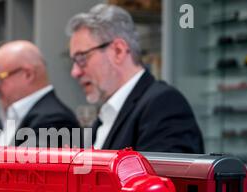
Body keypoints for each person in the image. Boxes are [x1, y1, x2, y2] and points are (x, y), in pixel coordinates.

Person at [66, 4, 204, 153]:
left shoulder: (163, 104)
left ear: (118, 51)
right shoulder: (107, 114)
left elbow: (162, 176)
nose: (75, 72)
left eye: (81, 58)